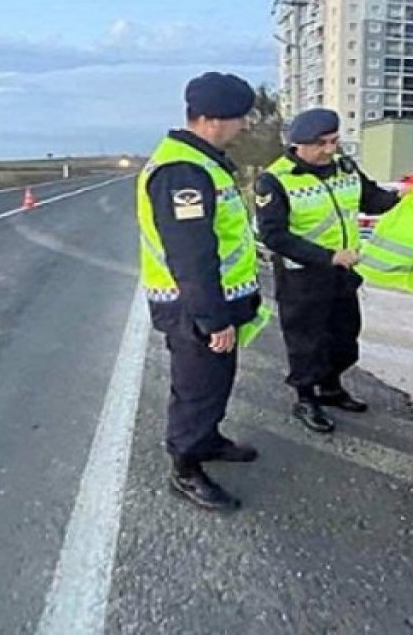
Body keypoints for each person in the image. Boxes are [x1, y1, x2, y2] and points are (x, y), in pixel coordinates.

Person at [137, 71, 262, 512]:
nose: (244, 126)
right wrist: (214, 319)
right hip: (194, 308)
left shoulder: (204, 161)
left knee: (215, 382)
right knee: (197, 389)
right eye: (239, 118)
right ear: (210, 119)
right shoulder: (182, 171)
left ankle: (207, 440)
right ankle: (186, 468)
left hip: (212, 302)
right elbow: (191, 256)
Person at [253, 109, 399, 433]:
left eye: (334, 141)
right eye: (322, 144)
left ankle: (331, 387)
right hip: (303, 276)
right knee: (307, 343)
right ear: (299, 145)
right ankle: (306, 398)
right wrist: (328, 256)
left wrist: (403, 196)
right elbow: (274, 235)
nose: (330, 150)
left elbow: (371, 199)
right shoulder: (275, 180)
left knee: (345, 339)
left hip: (342, 274)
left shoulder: (345, 168)